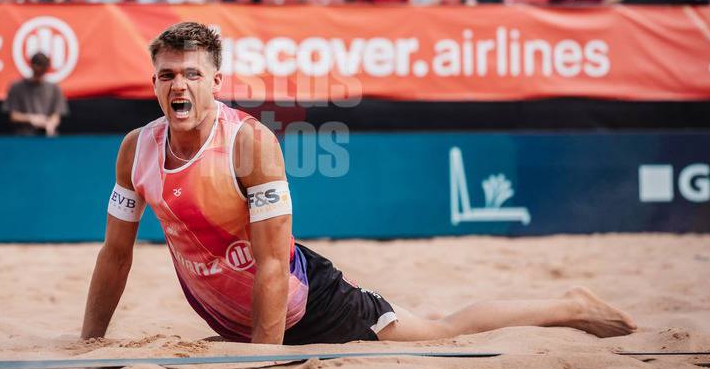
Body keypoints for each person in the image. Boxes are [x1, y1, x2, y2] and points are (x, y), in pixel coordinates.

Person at [81, 22, 639, 344]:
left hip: (304, 305)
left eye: (192, 74)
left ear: (216, 81)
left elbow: (273, 264)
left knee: (433, 333)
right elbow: (115, 255)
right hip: (239, 319)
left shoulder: (250, 143)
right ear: (154, 83)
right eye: (167, 75)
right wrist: (88, 345)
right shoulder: (137, 148)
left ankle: (570, 305)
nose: (179, 85)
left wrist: (262, 363)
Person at [2, 52, 68, 137]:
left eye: (42, 71)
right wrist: (30, 118)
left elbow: (56, 116)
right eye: (37, 71)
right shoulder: (17, 87)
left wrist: (50, 124)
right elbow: (13, 116)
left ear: (46, 69)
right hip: (24, 136)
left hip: (47, 137)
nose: (39, 75)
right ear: (31, 66)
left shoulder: (54, 88)